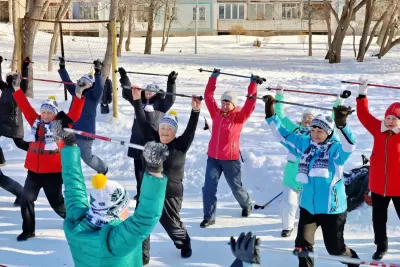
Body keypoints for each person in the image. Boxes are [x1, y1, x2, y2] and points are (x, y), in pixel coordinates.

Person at [50, 116, 169, 267]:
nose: (128, 209)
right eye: (125, 206)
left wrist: (69, 144)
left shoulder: (76, 222)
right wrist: (155, 169)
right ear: (116, 210)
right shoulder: (115, 241)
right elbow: (145, 218)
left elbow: (73, 185)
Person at [263, 94, 360, 267]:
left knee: (335, 249)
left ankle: (353, 261)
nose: (315, 134)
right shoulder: (304, 144)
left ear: (328, 132)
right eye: (313, 129)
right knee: (303, 245)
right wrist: (270, 113)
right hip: (309, 207)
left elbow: (350, 145)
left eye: (320, 130)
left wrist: (342, 125)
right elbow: (282, 135)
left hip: (332, 209)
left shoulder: (336, 151)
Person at [12, 73, 86, 241]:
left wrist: (79, 94)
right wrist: (16, 88)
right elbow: (24, 106)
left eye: (49, 113)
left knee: (58, 204)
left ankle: (80, 222)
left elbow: (74, 114)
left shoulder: (60, 125)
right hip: (34, 172)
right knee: (26, 199)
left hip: (53, 172)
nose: (45, 115)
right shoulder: (35, 122)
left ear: (54, 114)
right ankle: (28, 230)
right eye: (43, 112)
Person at [131, 86, 200, 263]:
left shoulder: (180, 145)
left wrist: (195, 110)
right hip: (148, 190)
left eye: (169, 129)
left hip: (170, 193)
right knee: (143, 221)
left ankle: (184, 243)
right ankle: (143, 256)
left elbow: (191, 130)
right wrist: (137, 99)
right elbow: (141, 120)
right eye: (162, 128)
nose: (165, 132)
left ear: (175, 132)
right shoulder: (151, 138)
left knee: (172, 225)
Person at [273, 85, 350, 237]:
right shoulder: (295, 131)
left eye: (311, 119)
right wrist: (279, 95)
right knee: (289, 202)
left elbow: (333, 121)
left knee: (306, 206)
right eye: (305, 118)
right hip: (292, 173)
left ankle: (311, 227)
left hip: (311, 178)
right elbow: (279, 115)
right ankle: (287, 227)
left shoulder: (322, 136)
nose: (307, 121)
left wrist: (339, 100)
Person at [201, 68, 264, 228]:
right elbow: (208, 96)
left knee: (236, 187)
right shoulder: (216, 113)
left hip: (230, 159)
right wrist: (213, 78)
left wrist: (253, 85)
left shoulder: (239, 117)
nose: (223, 104)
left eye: (227, 102)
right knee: (208, 187)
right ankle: (209, 216)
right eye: (223, 101)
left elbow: (250, 103)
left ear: (233, 104)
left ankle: (246, 204)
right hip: (213, 158)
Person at [356, 77, 400, 261]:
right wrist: (362, 94)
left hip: (399, 186)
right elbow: (363, 115)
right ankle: (381, 246)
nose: (390, 121)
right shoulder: (377, 128)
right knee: (378, 220)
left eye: (395, 118)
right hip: (378, 185)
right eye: (388, 117)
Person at [118, 67, 176, 199]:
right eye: (147, 91)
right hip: (136, 139)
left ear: (156, 93)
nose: (149, 93)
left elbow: (171, 99)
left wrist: (171, 83)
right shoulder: (139, 102)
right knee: (138, 169)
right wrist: (124, 76)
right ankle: (140, 192)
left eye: (152, 91)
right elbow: (128, 92)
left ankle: (149, 193)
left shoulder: (161, 105)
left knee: (149, 169)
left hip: (150, 141)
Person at [58, 57, 108, 174]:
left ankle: (103, 168)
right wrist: (62, 68)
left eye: (84, 83)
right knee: (66, 154)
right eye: (80, 81)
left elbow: (100, 88)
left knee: (87, 158)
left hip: (85, 133)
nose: (81, 84)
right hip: (71, 130)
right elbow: (67, 82)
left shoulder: (93, 96)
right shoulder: (76, 92)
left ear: (90, 85)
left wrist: (98, 72)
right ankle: (65, 173)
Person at [0, 57, 31, 206]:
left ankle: (37, 149)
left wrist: (25, 67)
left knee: (20, 143)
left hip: (13, 123)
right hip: (2, 122)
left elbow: (25, 82)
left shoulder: (18, 91)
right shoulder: (5, 89)